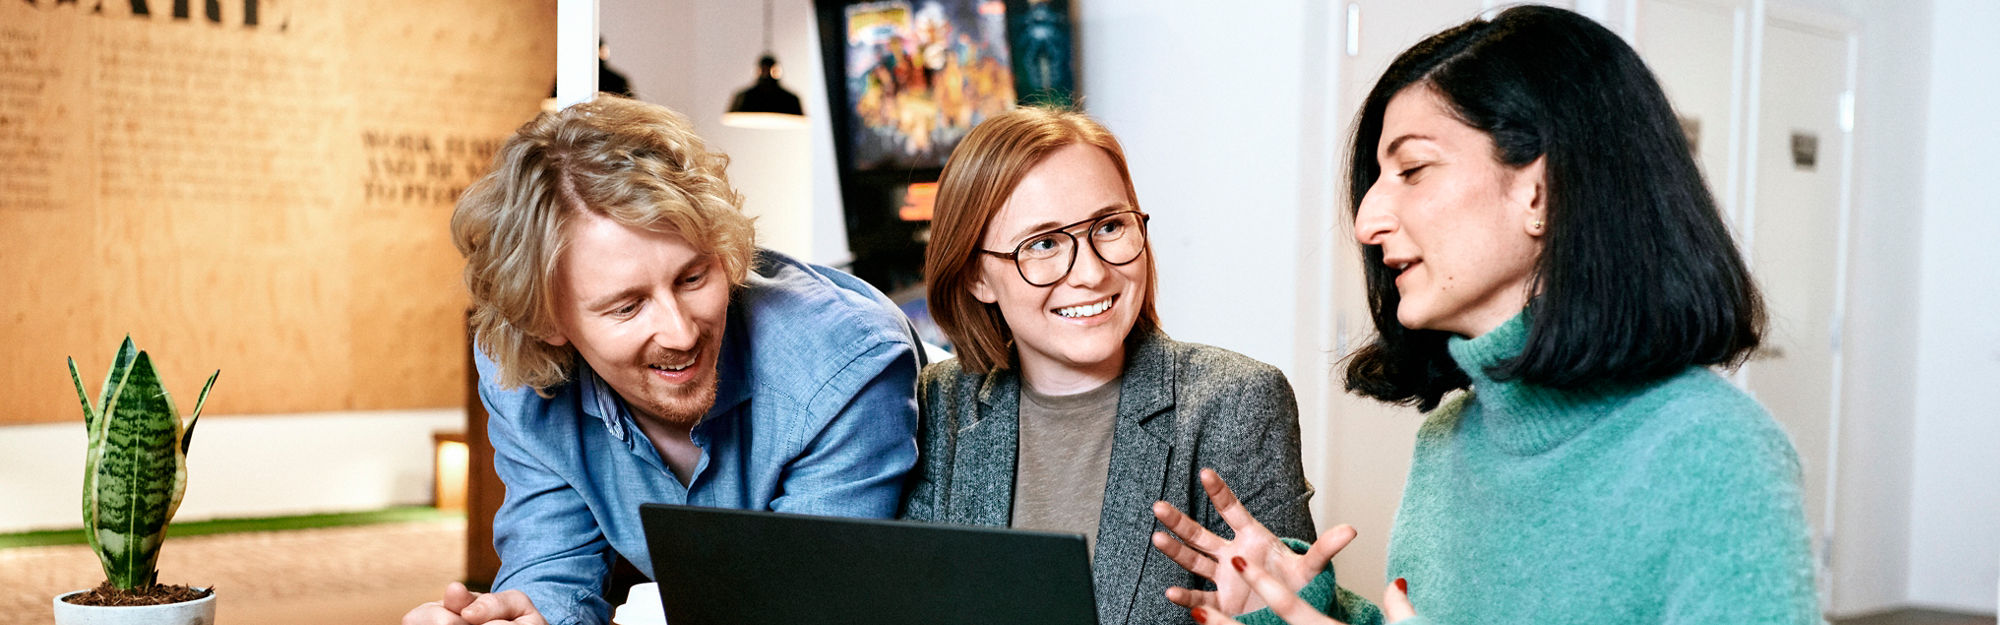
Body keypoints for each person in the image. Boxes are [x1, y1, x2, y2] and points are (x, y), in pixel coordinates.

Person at [1149, 6, 1819, 625]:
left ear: (1539, 190)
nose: (1366, 221)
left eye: (1412, 168)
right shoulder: (1450, 439)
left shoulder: (1714, 451)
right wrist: (1306, 602)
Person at [402, 96, 920, 625]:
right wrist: (519, 618)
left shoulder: (847, 365)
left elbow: (806, 605)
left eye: (693, 278)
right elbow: (553, 569)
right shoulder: (518, 375)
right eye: (627, 306)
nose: (680, 331)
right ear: (546, 321)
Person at [901, 106, 1318, 625]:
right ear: (975, 275)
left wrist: (1274, 617)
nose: (1093, 273)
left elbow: (1291, 610)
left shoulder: (1237, 400)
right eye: (1044, 243)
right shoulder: (931, 403)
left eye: (1110, 226)